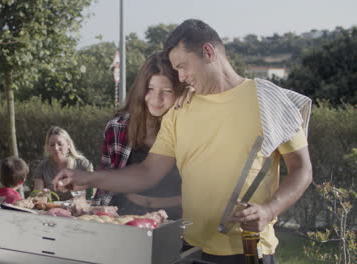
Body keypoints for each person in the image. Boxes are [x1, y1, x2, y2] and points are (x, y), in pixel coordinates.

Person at [53, 19, 313, 264]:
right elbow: (148, 172)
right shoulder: (180, 109)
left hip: (249, 249)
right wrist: (87, 178)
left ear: (208, 52)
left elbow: (302, 170)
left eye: (182, 66)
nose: (180, 77)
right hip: (191, 249)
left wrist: (269, 210)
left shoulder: (267, 101)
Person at [94, 52, 184, 220]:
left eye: (167, 90)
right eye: (150, 89)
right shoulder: (118, 127)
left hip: (178, 216)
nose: (157, 99)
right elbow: (106, 177)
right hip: (126, 212)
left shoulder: (188, 129)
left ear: (180, 93)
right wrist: (95, 214)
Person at [33, 126, 94, 201]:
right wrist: (42, 195)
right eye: (52, 145)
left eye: (60, 144)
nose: (56, 148)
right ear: (48, 148)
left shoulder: (82, 164)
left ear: (68, 144)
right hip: (50, 210)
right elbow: (37, 196)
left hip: (78, 209)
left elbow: (91, 193)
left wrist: (79, 199)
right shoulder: (42, 168)